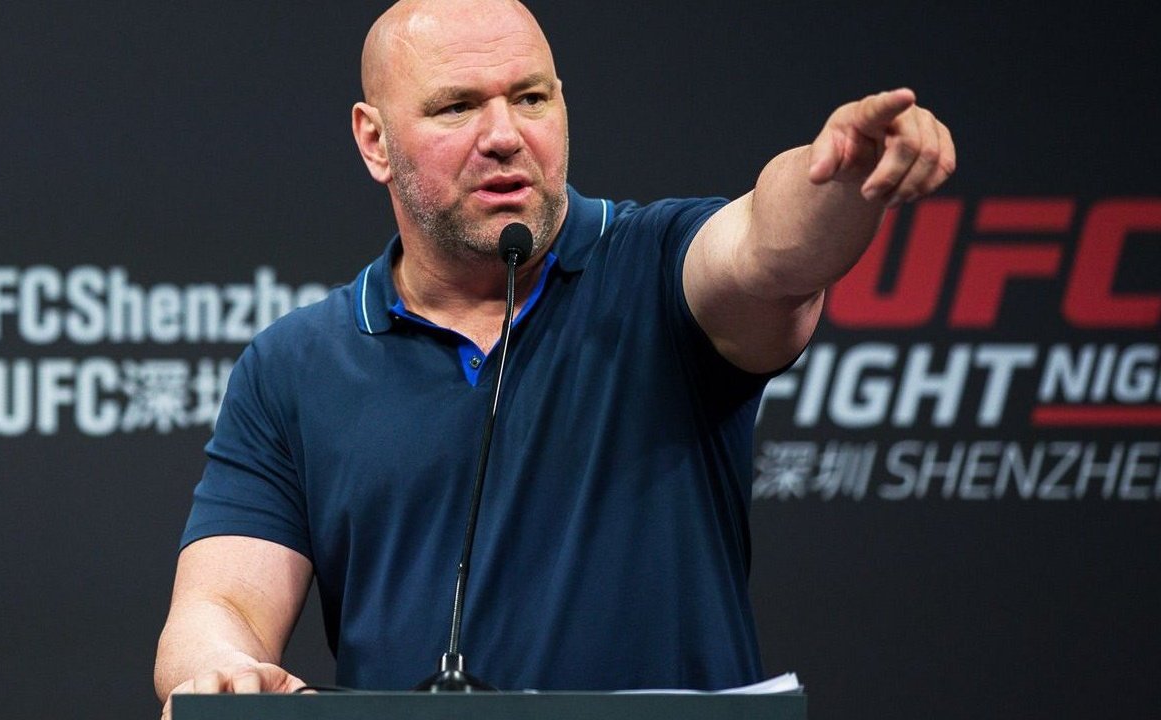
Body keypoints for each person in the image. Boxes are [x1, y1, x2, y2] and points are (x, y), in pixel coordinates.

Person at [154, 0, 954, 715]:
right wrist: (221, 672)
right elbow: (220, 608)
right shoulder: (295, 365)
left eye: (531, 98)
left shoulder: (658, 269)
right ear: (375, 140)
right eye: (458, 106)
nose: (505, 136)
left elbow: (771, 248)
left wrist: (838, 176)